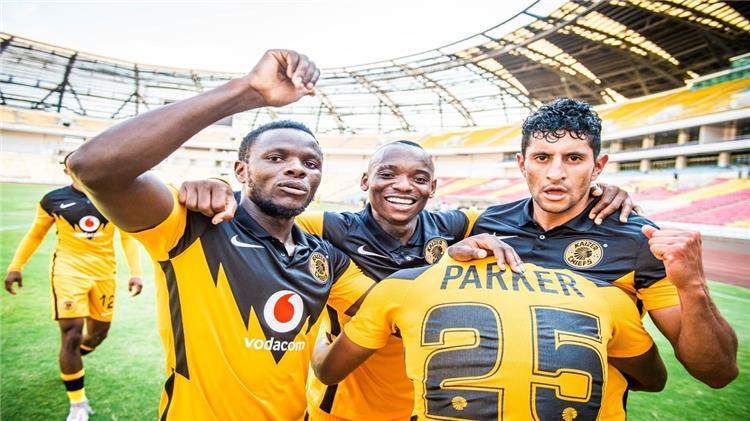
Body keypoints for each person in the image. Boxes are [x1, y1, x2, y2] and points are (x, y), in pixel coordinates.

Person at [180, 140, 637, 420]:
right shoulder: (326, 227)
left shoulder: (456, 226)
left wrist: (599, 191)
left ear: (432, 189)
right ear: (365, 181)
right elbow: (267, 211)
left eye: (419, 178)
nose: (403, 185)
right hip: (345, 402)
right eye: (388, 174)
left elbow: (532, 214)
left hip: (424, 404)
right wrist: (222, 186)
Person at [66, 50, 376, 420]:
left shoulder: (326, 259)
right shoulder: (192, 226)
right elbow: (92, 168)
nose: (297, 169)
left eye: (311, 163)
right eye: (276, 158)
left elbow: (385, 306)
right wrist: (248, 91)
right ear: (241, 171)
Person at [447, 98, 738, 415]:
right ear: (522, 163)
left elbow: (718, 372)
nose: (555, 173)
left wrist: (694, 285)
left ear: (597, 166)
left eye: (574, 158)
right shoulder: (485, 224)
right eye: (542, 158)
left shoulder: (638, 240)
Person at [312, 256, 667, 420]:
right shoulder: (604, 295)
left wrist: (319, 342)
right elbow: (653, 380)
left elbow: (328, 371)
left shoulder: (404, 285)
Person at [4, 167, 143, 421]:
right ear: (67, 170)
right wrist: (16, 266)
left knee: (98, 334)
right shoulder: (52, 200)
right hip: (68, 271)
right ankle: (78, 402)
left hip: (104, 274)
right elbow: (35, 234)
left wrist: (136, 272)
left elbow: (127, 238)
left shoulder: (112, 197)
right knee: (71, 334)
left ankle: (71, 360)